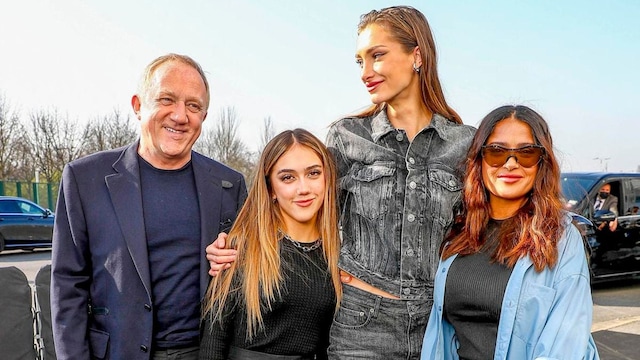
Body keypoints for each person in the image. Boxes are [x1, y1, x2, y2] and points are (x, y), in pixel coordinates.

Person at [207, 6, 475, 359]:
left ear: (417, 55)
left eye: (376, 56)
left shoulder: (464, 144)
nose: (365, 72)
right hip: (362, 326)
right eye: (359, 61)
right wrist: (236, 247)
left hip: (437, 330)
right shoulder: (347, 136)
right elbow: (304, 206)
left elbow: (478, 231)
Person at [51, 54, 247, 360]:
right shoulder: (84, 178)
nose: (180, 116)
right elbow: (67, 285)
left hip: (205, 352)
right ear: (138, 106)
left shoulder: (229, 184)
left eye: (193, 106)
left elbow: (251, 273)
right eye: (166, 99)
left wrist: (237, 258)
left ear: (204, 117)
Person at [420, 105, 599, 359]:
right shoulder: (457, 233)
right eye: (496, 151)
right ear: (479, 160)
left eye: (526, 152)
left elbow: (565, 347)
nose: (511, 163)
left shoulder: (560, 238)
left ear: (541, 162)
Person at [199, 129, 342, 360]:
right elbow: (213, 341)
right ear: (271, 189)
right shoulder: (242, 247)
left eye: (313, 173)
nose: (303, 188)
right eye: (288, 177)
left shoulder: (338, 254)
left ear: (327, 177)